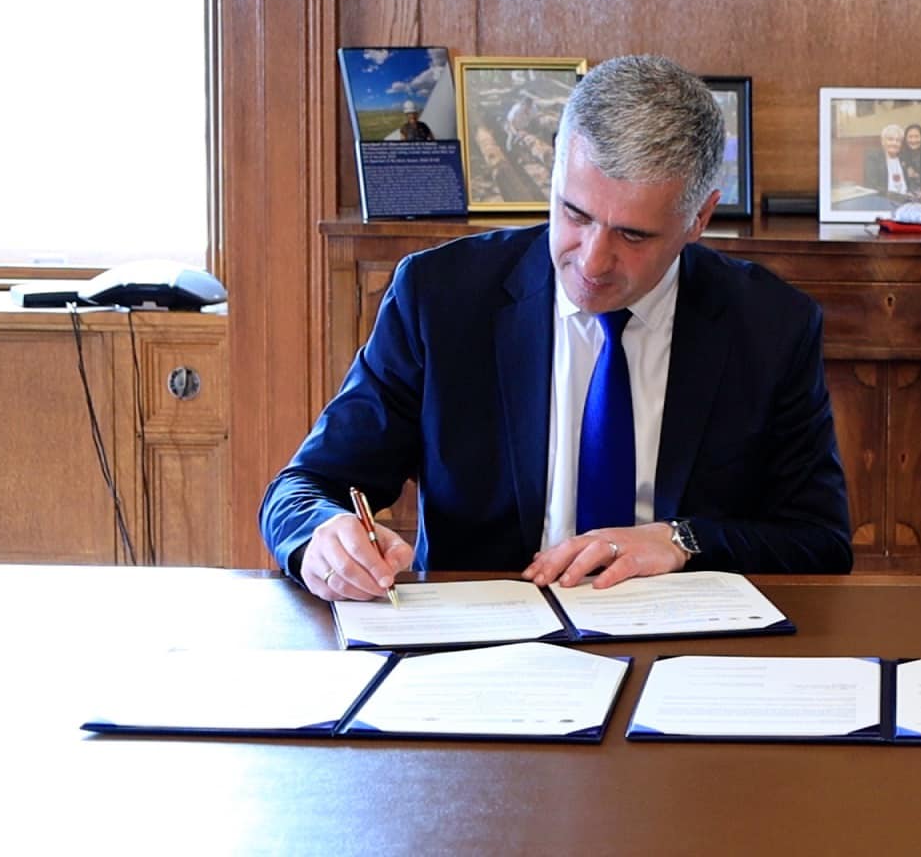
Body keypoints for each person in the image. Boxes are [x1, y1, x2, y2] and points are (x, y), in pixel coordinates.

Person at [263, 54, 853, 602]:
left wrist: (682, 540)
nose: (592, 261)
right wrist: (323, 536)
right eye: (574, 213)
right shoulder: (440, 298)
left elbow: (819, 542)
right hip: (490, 637)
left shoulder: (770, 325)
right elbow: (304, 488)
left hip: (684, 638)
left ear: (699, 217)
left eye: (633, 235)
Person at [860, 123, 911, 198]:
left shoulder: (904, 158)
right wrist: (899, 197)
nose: (894, 143)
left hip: (907, 200)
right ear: (883, 141)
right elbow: (872, 186)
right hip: (885, 200)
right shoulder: (874, 158)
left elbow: (910, 182)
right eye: (890, 139)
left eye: (898, 140)